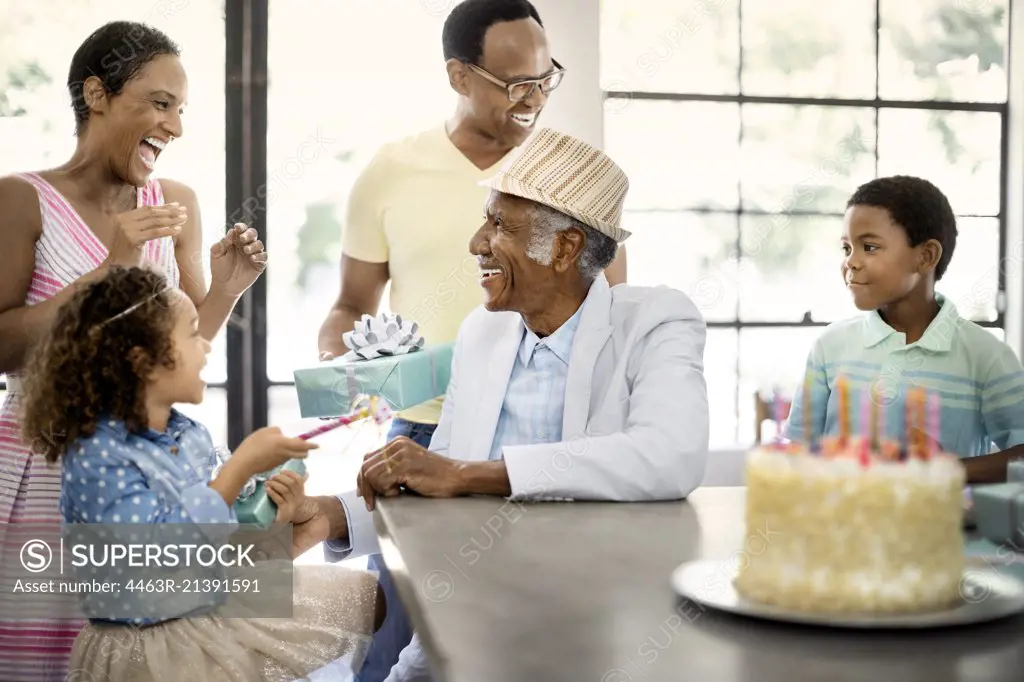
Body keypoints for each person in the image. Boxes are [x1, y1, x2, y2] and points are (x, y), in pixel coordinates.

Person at [296, 128, 710, 681]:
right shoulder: (483, 333)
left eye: (499, 225)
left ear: (565, 248)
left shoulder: (655, 321)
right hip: (468, 615)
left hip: (600, 630)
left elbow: (669, 455)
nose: (476, 242)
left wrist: (473, 474)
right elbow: (434, 481)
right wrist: (333, 516)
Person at [315, 2, 624, 680]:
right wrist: (350, 362)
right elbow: (346, 308)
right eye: (515, 82)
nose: (534, 99)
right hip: (422, 438)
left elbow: (612, 311)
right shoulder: (391, 172)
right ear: (459, 76)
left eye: (546, 79)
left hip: (546, 443)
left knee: (533, 643)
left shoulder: (573, 181)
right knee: (395, 642)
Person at [0, 21, 266, 681]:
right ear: (96, 93)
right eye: (159, 102)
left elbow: (180, 352)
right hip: (40, 465)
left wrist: (227, 291)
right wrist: (107, 271)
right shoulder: (20, 199)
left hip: (150, 474)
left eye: (180, 109)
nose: (174, 125)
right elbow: (3, 349)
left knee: (141, 655)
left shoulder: (175, 204)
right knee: (43, 660)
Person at [18, 266, 384, 681]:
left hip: (204, 609)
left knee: (367, 598)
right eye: (192, 333)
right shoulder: (97, 457)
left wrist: (273, 523)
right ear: (144, 363)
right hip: (146, 646)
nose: (205, 347)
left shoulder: (189, 435)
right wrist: (238, 468)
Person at [784, 175, 1024, 483]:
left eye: (869, 247)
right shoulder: (830, 346)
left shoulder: (986, 355)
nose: (851, 263)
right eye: (846, 248)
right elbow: (798, 450)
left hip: (941, 528)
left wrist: (950, 471)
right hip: (839, 525)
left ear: (926, 256)